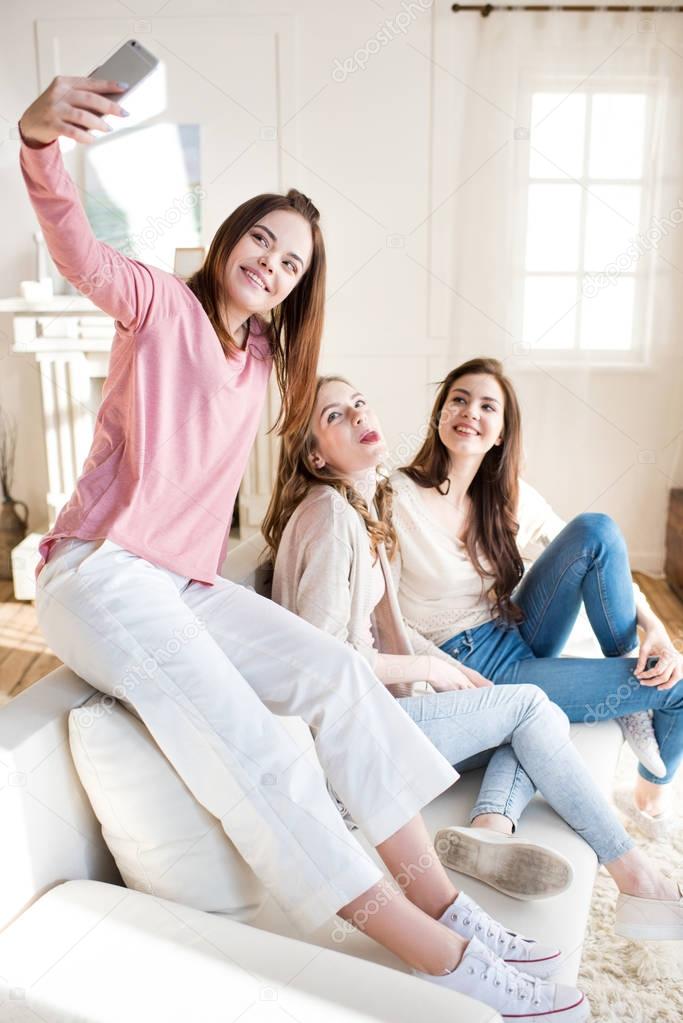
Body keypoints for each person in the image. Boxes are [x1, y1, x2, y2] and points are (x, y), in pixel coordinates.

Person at [18, 77, 589, 1021]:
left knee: (334, 673)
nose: (271, 266)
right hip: (101, 570)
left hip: (184, 581)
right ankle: (442, 956)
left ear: (297, 287)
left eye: (291, 264)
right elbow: (76, 246)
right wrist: (40, 144)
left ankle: (441, 896)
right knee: (261, 752)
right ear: (231, 238)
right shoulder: (156, 303)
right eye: (261, 243)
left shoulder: (261, 365)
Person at [265, 374, 683, 940]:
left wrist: (652, 627)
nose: (360, 416)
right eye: (336, 415)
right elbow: (319, 661)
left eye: (360, 402)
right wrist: (432, 667)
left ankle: (491, 829)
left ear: (503, 431)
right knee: (534, 711)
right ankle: (636, 878)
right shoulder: (350, 508)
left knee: (588, 550)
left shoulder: (356, 506)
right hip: (353, 739)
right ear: (314, 453)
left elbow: (383, 630)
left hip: (417, 689)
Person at [390, 357, 683, 846]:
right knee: (679, 688)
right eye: (458, 399)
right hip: (471, 662)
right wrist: (441, 674)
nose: (470, 412)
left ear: (501, 433)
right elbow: (386, 616)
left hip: (515, 628)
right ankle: (650, 798)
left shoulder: (505, 494)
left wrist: (652, 625)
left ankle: (628, 685)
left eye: (488, 406)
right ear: (440, 413)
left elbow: (589, 554)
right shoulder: (396, 495)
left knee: (596, 529)